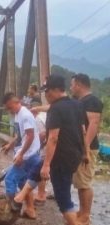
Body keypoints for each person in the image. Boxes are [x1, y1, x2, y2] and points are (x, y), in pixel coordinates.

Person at [39, 75, 87, 225]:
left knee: (62, 197)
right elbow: (82, 130)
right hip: (75, 156)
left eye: (46, 91)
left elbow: (53, 138)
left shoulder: (55, 108)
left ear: (54, 90)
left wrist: (46, 164)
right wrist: (85, 153)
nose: (46, 95)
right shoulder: (77, 104)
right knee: (65, 190)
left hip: (60, 159)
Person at [1, 93, 41, 219]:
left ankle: (10, 210)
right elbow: (21, 135)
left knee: (10, 179)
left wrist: (21, 155)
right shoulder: (18, 114)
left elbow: (30, 136)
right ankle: (30, 210)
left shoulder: (25, 115)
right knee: (23, 183)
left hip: (28, 156)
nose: (9, 111)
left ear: (15, 102)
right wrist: (10, 145)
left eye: (9, 107)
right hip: (27, 154)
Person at [70, 73, 103, 225]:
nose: (71, 88)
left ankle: (85, 216)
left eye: (72, 85)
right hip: (80, 148)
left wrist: (86, 148)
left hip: (87, 148)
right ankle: (82, 211)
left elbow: (93, 125)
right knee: (80, 181)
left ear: (79, 84)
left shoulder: (91, 101)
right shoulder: (80, 101)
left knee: (84, 182)